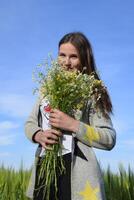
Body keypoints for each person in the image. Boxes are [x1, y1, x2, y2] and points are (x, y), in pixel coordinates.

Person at [25, 32, 116, 200]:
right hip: (45, 168)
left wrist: (73, 125)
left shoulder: (93, 92)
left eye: (73, 56)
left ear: (84, 59)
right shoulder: (47, 88)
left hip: (77, 175)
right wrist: (39, 135)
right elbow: (30, 123)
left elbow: (109, 138)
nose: (66, 62)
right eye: (62, 55)